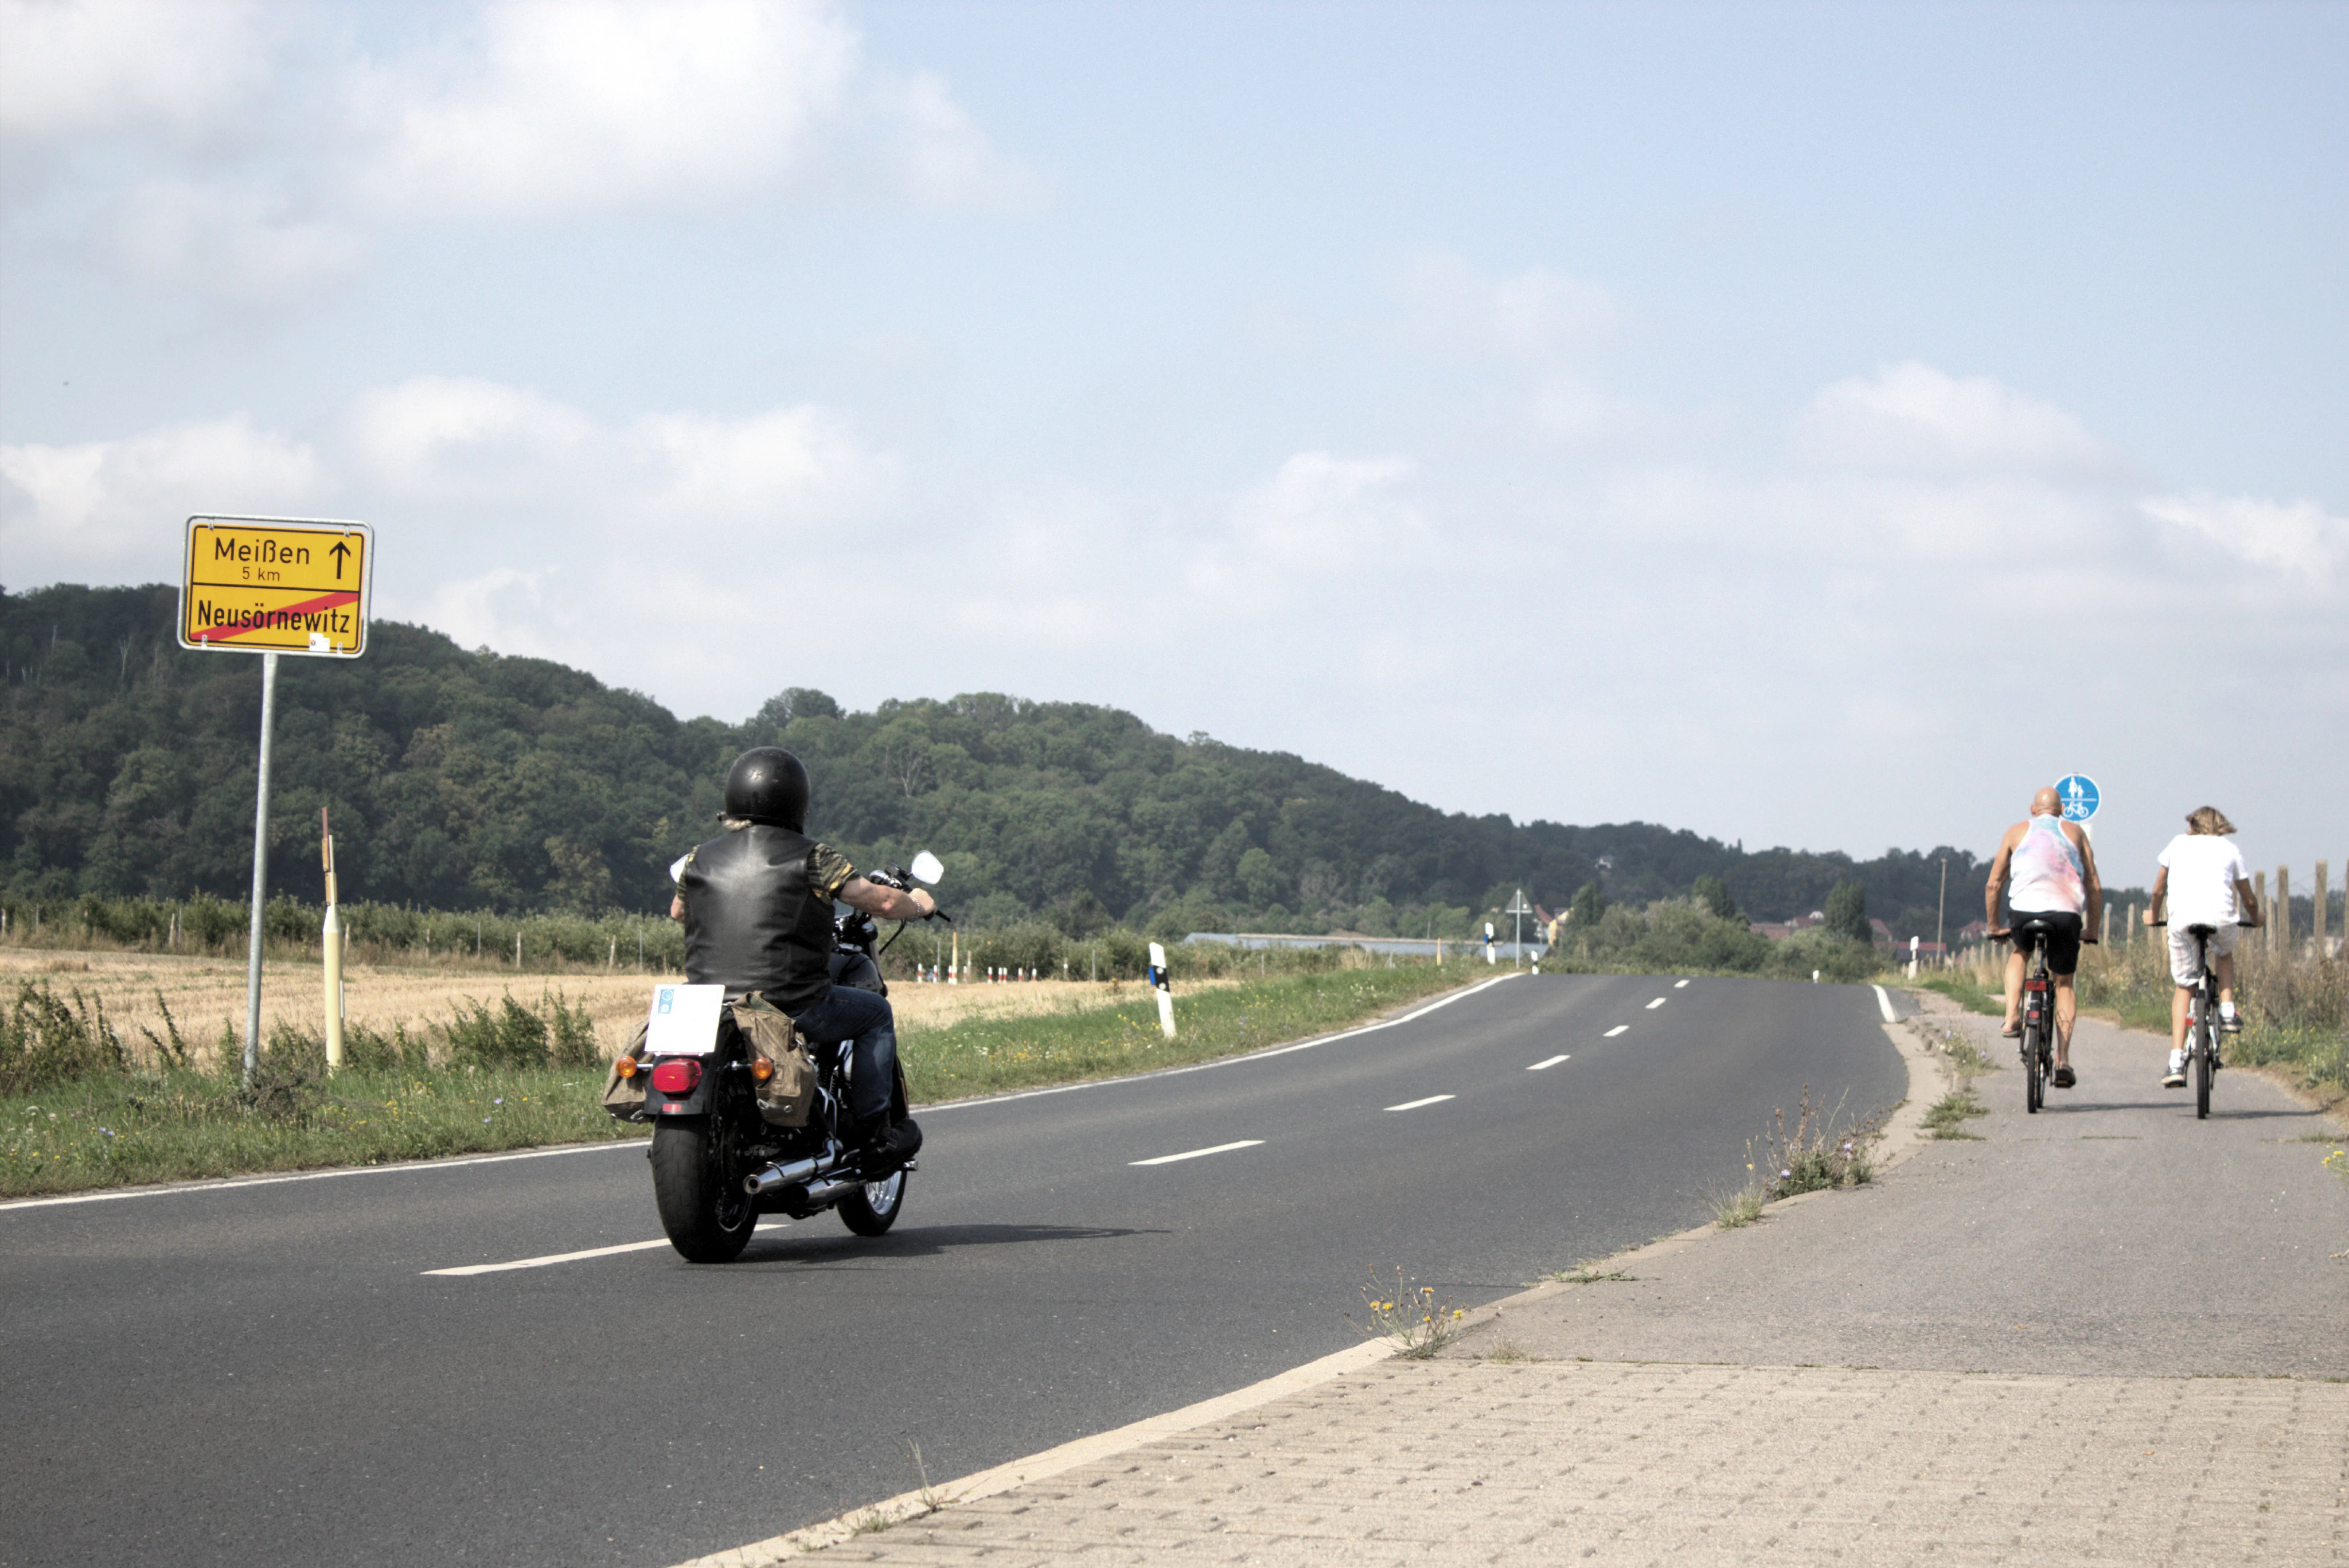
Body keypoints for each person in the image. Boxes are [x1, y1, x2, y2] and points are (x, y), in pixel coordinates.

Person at [668, 747, 934, 1161]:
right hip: (789, 1000)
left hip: (711, 1001)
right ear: (797, 801)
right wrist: (918, 904)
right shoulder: (813, 857)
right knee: (876, 1015)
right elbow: (878, 902)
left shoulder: (698, 858)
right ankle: (875, 1132)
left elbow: (678, 911)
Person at [1984, 785, 2103, 1087]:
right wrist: (2092, 930)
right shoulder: (2075, 833)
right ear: (2061, 810)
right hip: (2066, 915)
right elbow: (2094, 885)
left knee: (2019, 953)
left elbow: (1994, 883)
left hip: (2025, 913)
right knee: (2063, 983)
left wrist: (1994, 926)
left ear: (2033, 810)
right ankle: (2063, 1060)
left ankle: (2012, 1016)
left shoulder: (2016, 831)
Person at [2145, 805, 2260, 1089]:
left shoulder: (2177, 843)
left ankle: (2175, 1060)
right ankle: (2229, 1009)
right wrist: (2257, 918)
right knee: (2224, 951)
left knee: (2185, 984)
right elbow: (2249, 899)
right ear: (2220, 826)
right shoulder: (2230, 849)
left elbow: (2159, 889)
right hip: (2220, 919)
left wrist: (2154, 915)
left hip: (2183, 920)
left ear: (2192, 825)